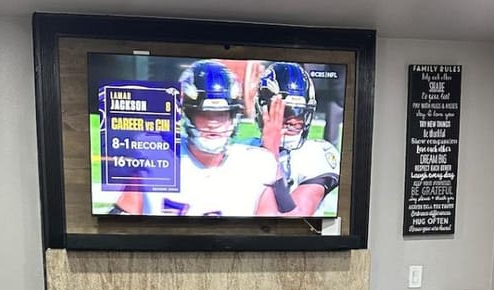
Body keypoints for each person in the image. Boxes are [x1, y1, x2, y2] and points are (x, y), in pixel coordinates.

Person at [109, 61, 283, 217]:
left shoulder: (257, 163)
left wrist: (272, 153)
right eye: (205, 113)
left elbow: (272, 229)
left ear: (233, 116)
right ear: (188, 114)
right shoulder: (157, 157)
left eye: (221, 114)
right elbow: (121, 221)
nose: (213, 123)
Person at [255, 62, 341, 216]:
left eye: (300, 112)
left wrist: (271, 155)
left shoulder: (318, 153)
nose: (293, 120)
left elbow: (294, 218)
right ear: (263, 110)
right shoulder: (244, 151)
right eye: (285, 111)